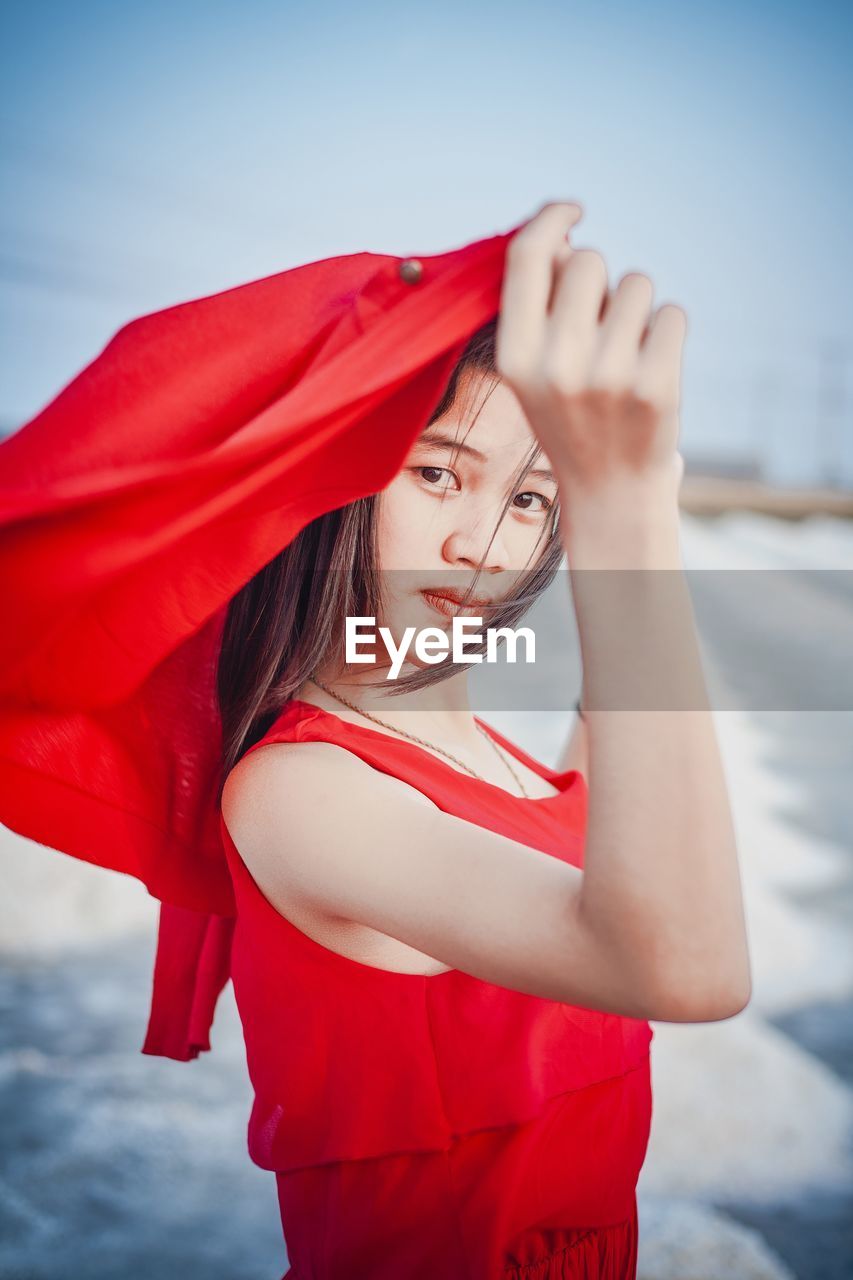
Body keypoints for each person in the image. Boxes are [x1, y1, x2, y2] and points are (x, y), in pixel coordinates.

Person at [0, 200, 751, 1279]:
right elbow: (687, 969)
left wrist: (630, 505)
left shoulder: (502, 762)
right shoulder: (303, 792)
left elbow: (649, 799)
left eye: (533, 499)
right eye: (439, 471)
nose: (478, 542)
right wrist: (621, 512)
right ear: (334, 484)